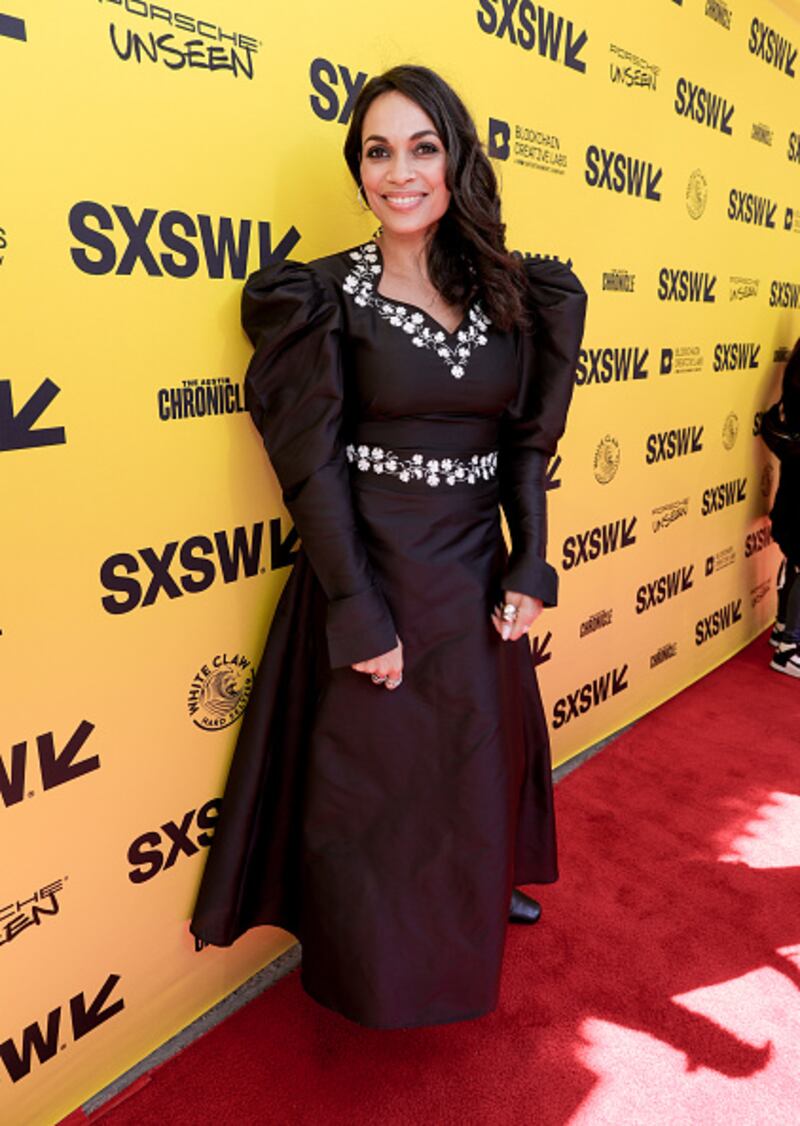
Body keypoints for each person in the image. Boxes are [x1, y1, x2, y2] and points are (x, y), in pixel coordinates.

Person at [190, 65, 587, 1029]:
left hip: (475, 574)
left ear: (457, 159)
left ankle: (473, 896)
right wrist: (357, 608)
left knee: (471, 758)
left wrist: (530, 559)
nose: (399, 172)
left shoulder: (518, 292)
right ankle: (373, 963)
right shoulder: (318, 296)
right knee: (375, 780)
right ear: (358, 168)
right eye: (378, 151)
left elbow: (526, 444)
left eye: (422, 148)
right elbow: (311, 471)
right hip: (371, 568)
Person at [761, 338, 800, 678]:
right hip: (797, 498)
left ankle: (784, 628)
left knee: (794, 561)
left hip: (792, 495)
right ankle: (790, 648)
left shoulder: (796, 374)